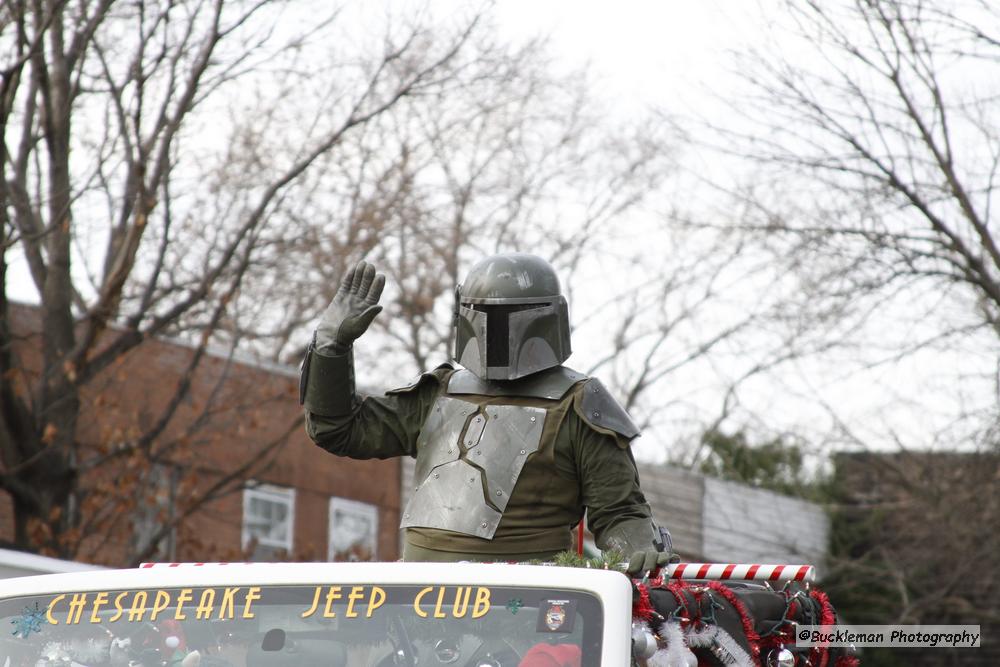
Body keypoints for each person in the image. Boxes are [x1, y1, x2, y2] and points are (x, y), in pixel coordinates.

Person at [300, 253, 670, 574]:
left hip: (526, 603)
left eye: (510, 315)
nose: (497, 330)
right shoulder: (438, 393)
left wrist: (637, 548)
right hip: (420, 599)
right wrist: (332, 345)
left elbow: (619, 511)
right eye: (485, 313)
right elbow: (339, 428)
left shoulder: (578, 405)